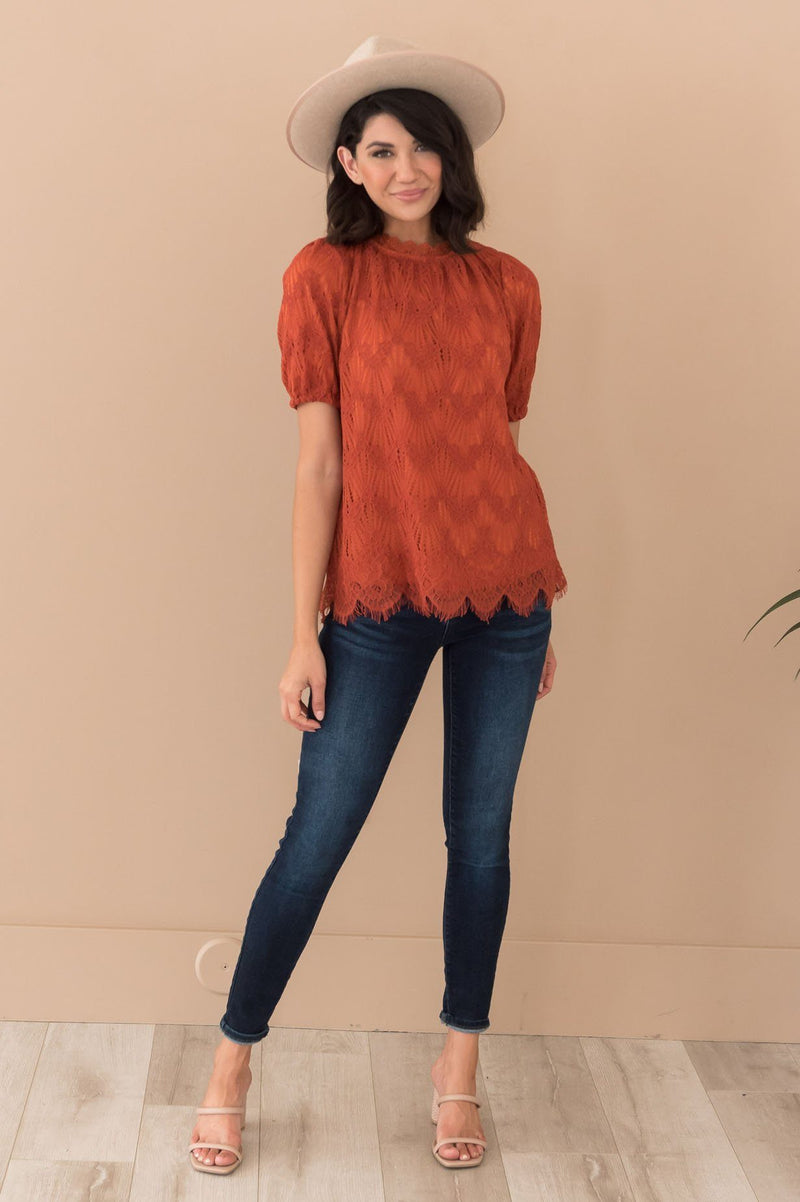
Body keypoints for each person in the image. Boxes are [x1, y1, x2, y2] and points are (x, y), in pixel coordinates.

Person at [189, 34, 568, 1177]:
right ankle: (231, 1064)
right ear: (349, 165)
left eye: (424, 148)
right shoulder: (324, 275)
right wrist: (299, 631)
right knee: (317, 837)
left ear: (452, 159)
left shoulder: (509, 284)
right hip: (374, 595)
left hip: (508, 593)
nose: (408, 169)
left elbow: (496, 436)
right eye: (384, 150)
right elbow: (320, 465)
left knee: (481, 839)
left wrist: (527, 602)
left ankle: (457, 1066)